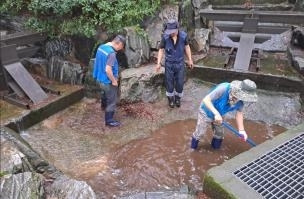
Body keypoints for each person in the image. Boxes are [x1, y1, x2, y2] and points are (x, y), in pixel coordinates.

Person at [190, 79, 258, 149]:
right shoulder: (223, 88)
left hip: (221, 112)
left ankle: (215, 149)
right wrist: (216, 113)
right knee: (200, 133)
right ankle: (193, 149)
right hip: (206, 111)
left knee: (219, 134)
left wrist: (242, 130)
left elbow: (239, 114)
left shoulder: (241, 101)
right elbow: (206, 100)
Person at [155, 19, 193, 108]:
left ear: (177, 28)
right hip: (169, 64)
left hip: (180, 63)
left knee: (180, 82)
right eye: (169, 31)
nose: (171, 33)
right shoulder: (165, 37)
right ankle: (170, 99)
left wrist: (190, 59)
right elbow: (161, 50)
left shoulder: (184, 36)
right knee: (169, 82)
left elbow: (187, 47)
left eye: (173, 31)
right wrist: (158, 63)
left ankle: (178, 98)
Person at [93, 35, 126, 127]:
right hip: (107, 81)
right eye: (122, 47)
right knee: (112, 100)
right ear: (119, 44)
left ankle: (103, 106)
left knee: (104, 93)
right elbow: (108, 70)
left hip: (98, 79)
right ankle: (109, 120)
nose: (120, 49)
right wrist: (114, 81)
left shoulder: (101, 47)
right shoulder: (111, 54)